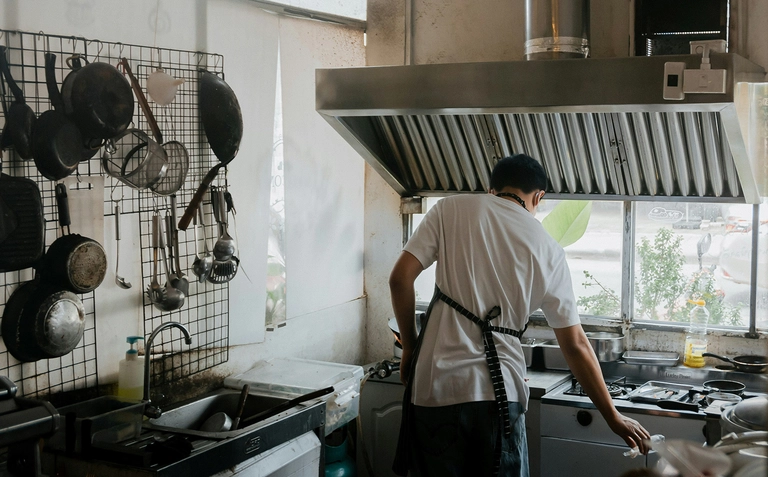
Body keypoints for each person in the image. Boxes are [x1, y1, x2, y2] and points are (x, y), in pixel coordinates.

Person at [389, 154, 651, 477]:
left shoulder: (449, 209)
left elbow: (399, 279)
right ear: (538, 197)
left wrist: (411, 349)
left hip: (435, 388)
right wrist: (613, 416)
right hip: (501, 397)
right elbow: (576, 345)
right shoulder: (548, 249)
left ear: (492, 189)